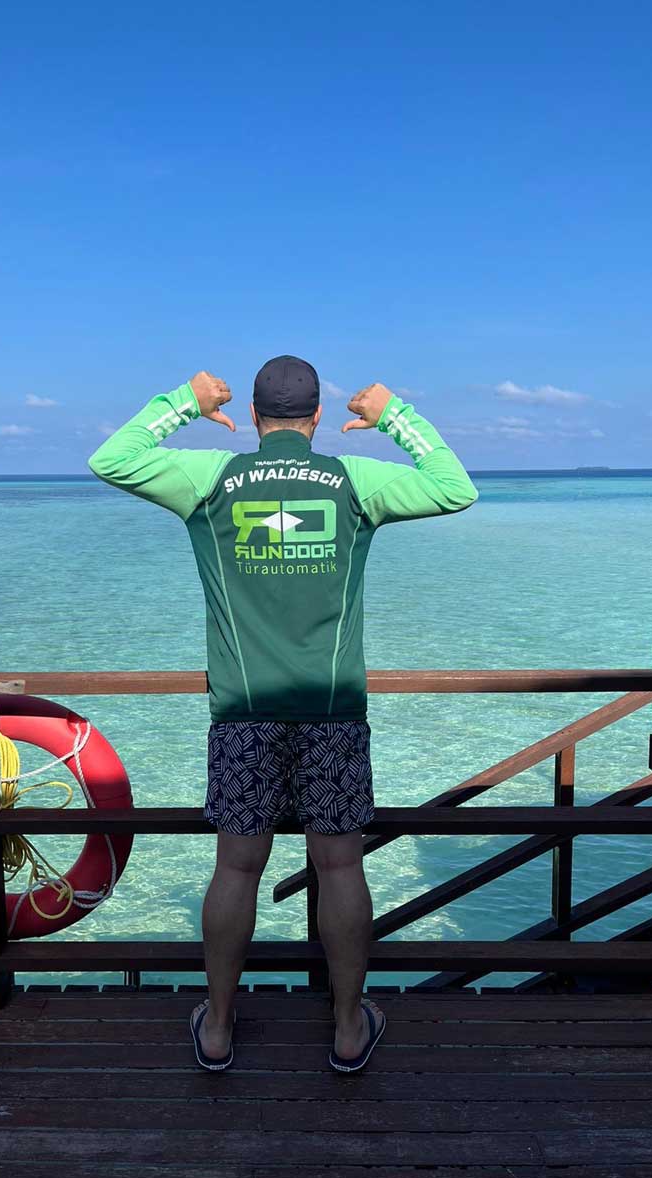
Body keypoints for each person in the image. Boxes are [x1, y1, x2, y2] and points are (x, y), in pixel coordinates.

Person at [87, 355, 478, 1072]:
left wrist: (184, 403)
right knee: (339, 865)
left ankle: (218, 1029)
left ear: (257, 418)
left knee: (236, 870)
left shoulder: (209, 479)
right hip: (332, 711)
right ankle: (349, 1028)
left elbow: (110, 458)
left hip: (242, 712)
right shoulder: (355, 482)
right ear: (319, 417)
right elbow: (457, 488)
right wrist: (395, 415)